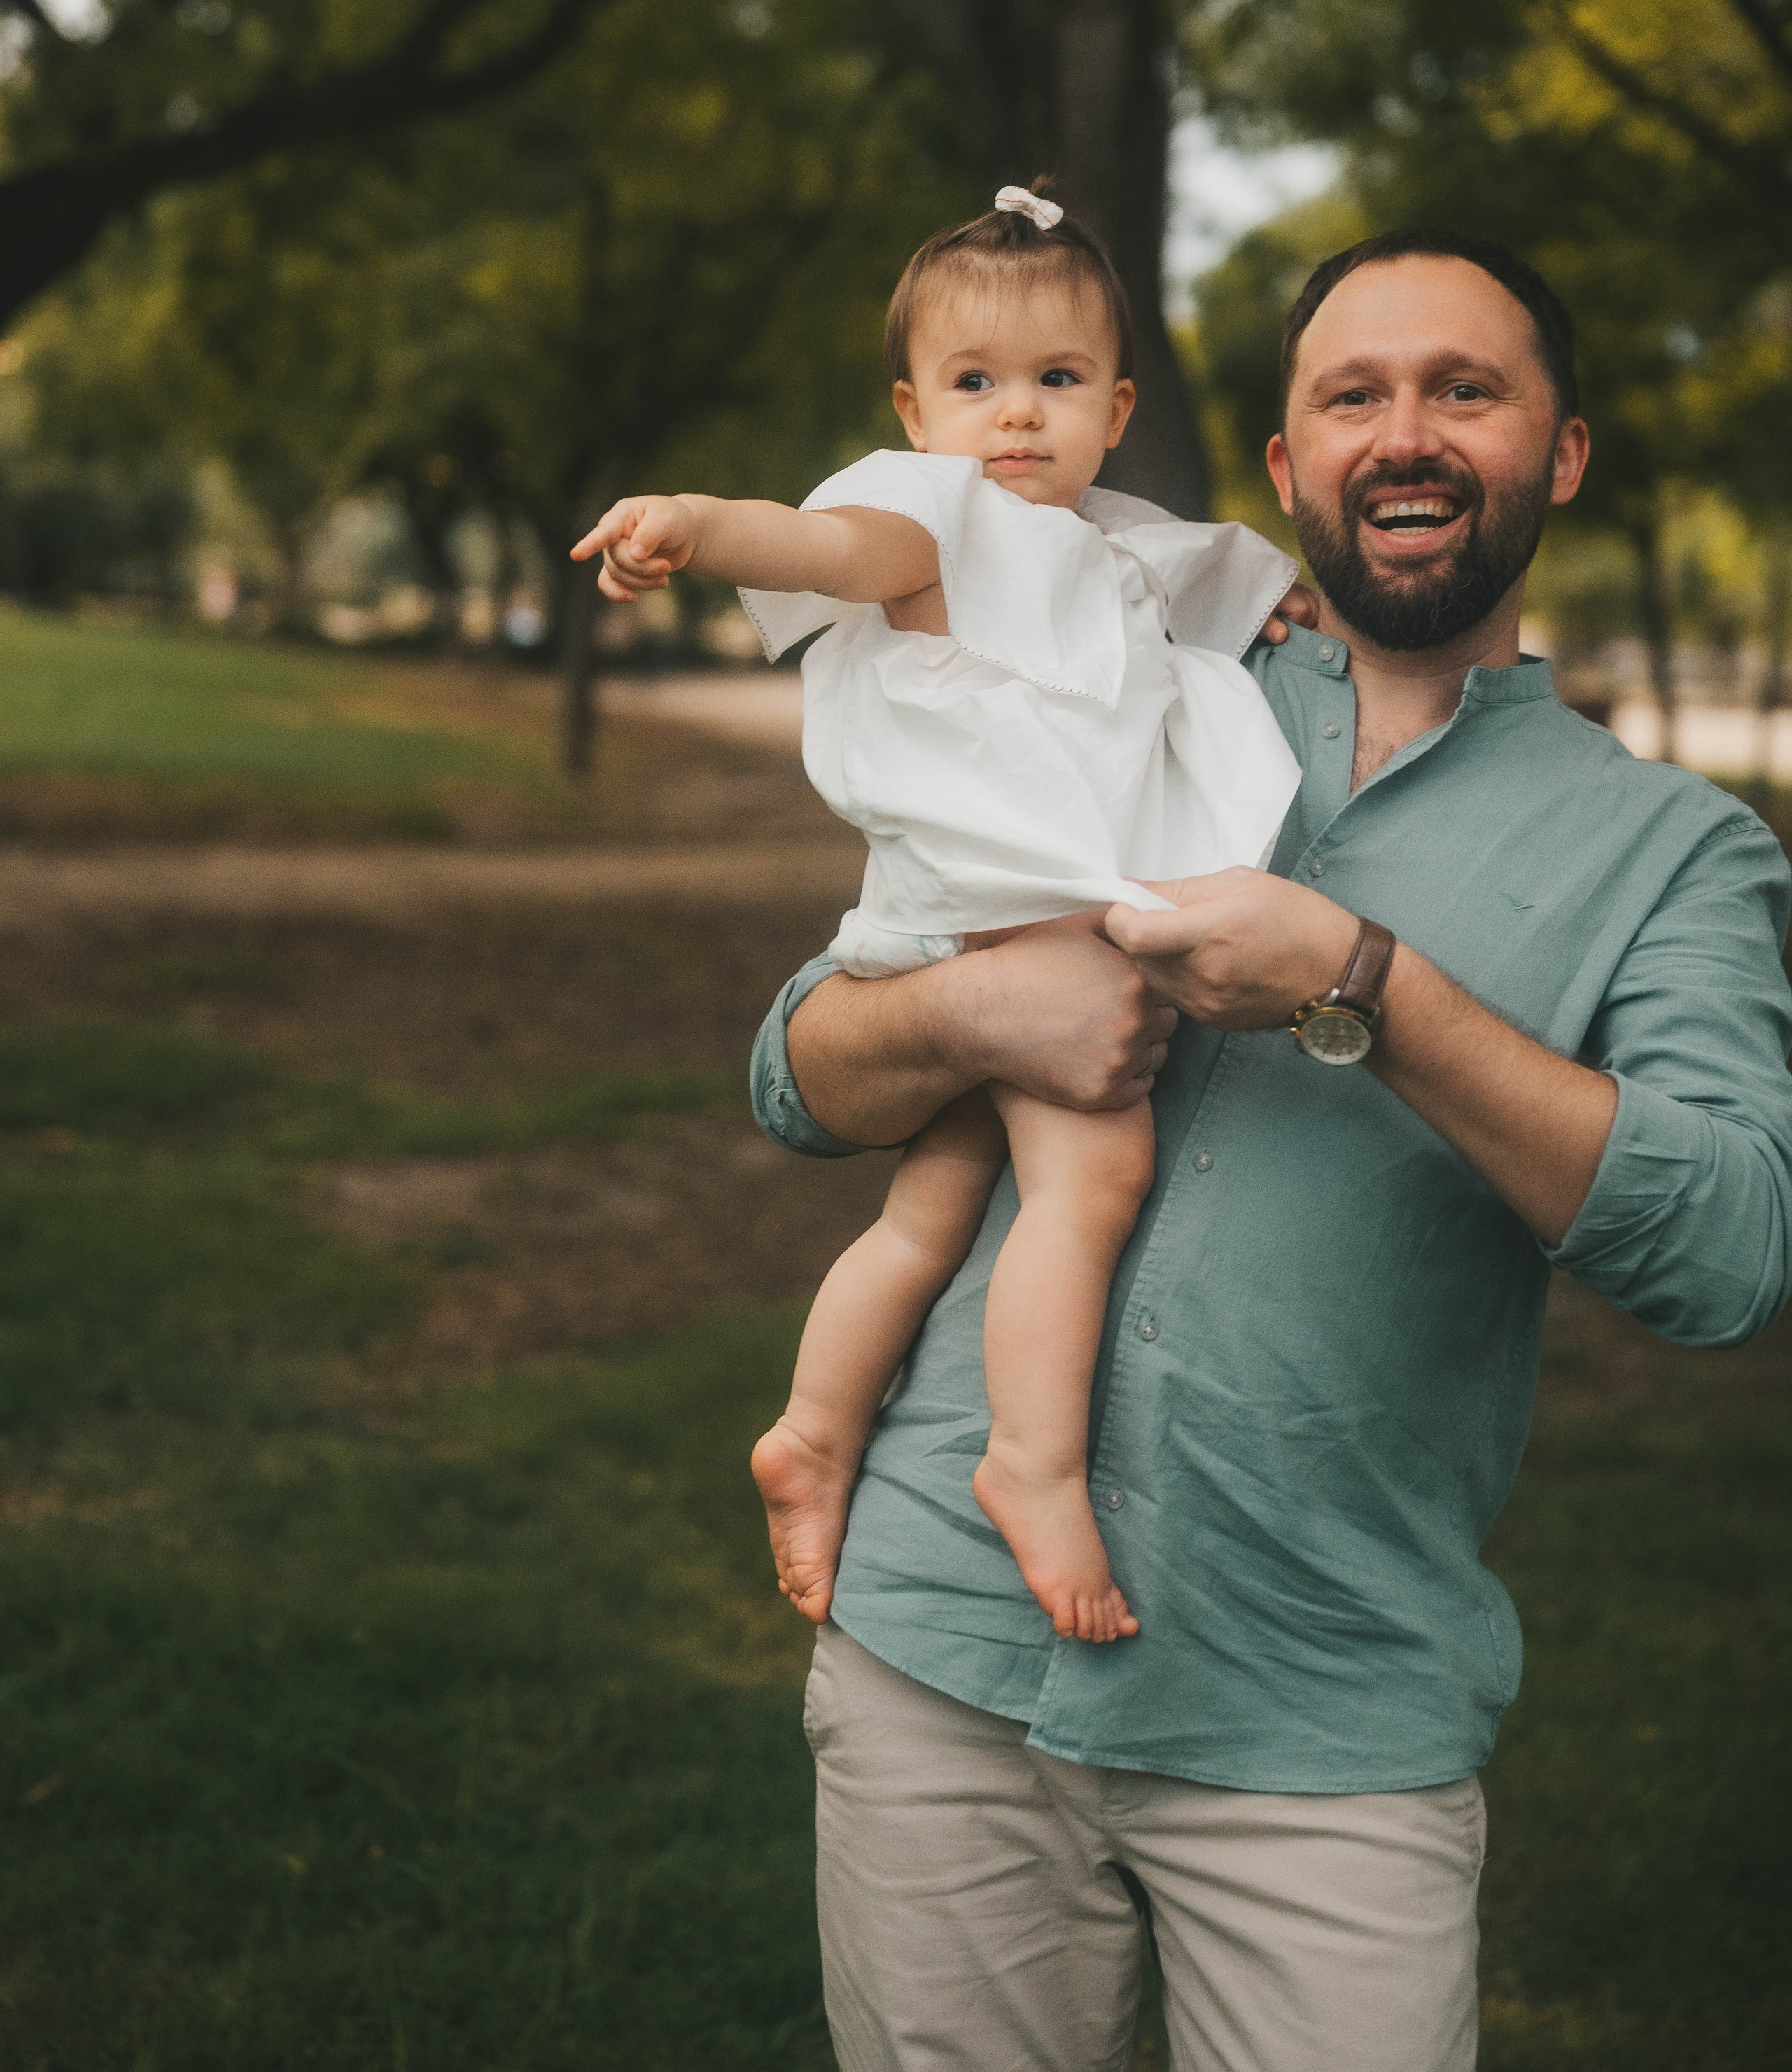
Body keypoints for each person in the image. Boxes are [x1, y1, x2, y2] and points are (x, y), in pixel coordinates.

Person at [750, 227, 1792, 2072]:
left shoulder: (1682, 854)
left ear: (1560, 453)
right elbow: (795, 1073)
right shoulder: (1123, 671)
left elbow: (1724, 1257)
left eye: (1465, 391)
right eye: (1353, 395)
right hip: (935, 1658)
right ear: (1286, 464)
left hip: (1318, 1721)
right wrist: (975, 1021)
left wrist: (1368, 982)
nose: (1407, 435)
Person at [573, 186, 1304, 1644]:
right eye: (974, 385)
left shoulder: (1112, 542)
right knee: (1091, 1182)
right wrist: (693, 525)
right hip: (1003, 914)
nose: (1015, 417)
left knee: (934, 1199)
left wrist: (1280, 613)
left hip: (1002, 913)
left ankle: (813, 1427)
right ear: (913, 410)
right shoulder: (931, 519)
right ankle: (1028, 1467)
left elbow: (1218, 584)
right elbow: (813, 546)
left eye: (1055, 382)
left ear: (1115, 402)